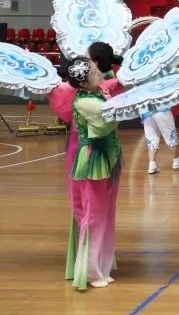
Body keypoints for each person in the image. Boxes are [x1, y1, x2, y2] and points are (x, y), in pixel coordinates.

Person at [48, 42, 124, 283]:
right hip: (93, 159)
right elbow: (106, 121)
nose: (98, 72)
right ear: (82, 82)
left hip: (106, 155)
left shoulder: (97, 91)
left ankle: (100, 264)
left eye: (95, 67)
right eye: (92, 71)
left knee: (102, 211)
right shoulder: (85, 101)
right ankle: (90, 271)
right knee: (92, 212)